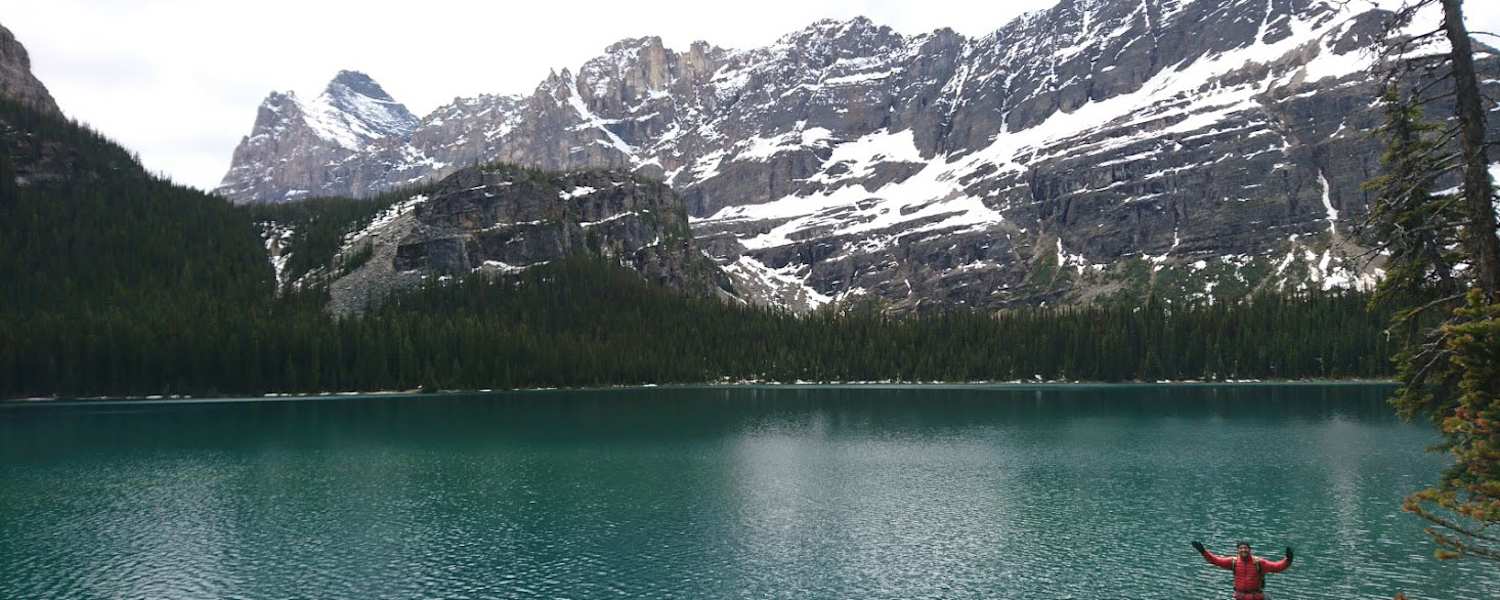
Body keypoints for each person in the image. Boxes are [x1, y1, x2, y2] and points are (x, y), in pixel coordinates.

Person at [1191, 540, 1293, 600]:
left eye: (1245, 548)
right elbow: (1215, 560)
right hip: (1239, 597)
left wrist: (1288, 559)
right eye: (1241, 548)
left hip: (1256, 598)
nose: (1243, 550)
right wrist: (1203, 551)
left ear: (1250, 550)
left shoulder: (1259, 562)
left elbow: (1277, 567)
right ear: (1238, 550)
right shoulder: (1233, 562)